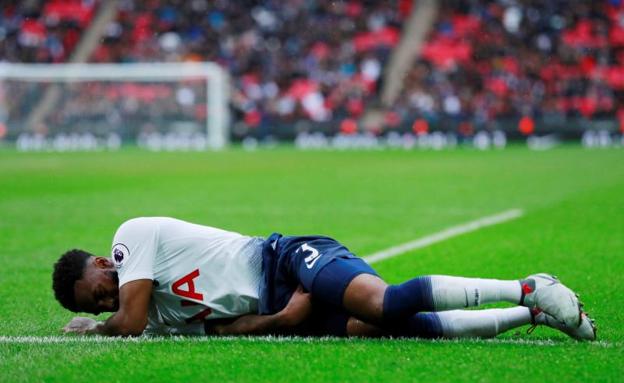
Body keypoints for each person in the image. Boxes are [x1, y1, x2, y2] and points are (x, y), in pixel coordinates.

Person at [53, 217, 596, 340]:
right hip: (281, 300)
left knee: (382, 304)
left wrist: (93, 330)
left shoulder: (133, 236)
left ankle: (526, 285)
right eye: (97, 308)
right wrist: (279, 320)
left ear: (104, 263)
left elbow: (127, 322)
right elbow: (224, 329)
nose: (107, 304)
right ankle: (534, 313)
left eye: (98, 294)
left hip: (286, 258)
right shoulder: (160, 320)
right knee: (396, 329)